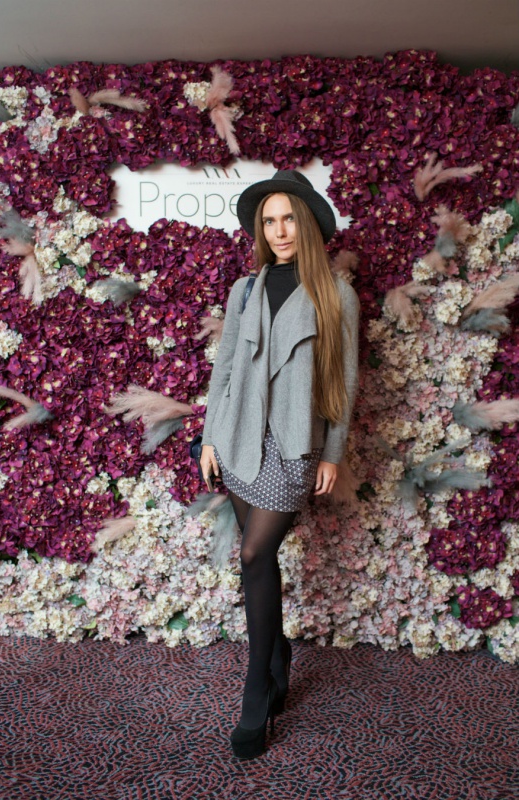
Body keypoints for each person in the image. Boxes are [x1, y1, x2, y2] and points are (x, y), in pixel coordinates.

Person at [200, 170, 359, 759]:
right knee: (259, 561)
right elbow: (223, 368)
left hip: (292, 443)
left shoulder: (336, 294)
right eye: (269, 221)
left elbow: (344, 380)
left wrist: (333, 453)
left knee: (252, 554)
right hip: (237, 436)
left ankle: (256, 691)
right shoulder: (245, 289)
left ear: (308, 223)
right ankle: (278, 655)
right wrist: (209, 438)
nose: (279, 230)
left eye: (288, 218)